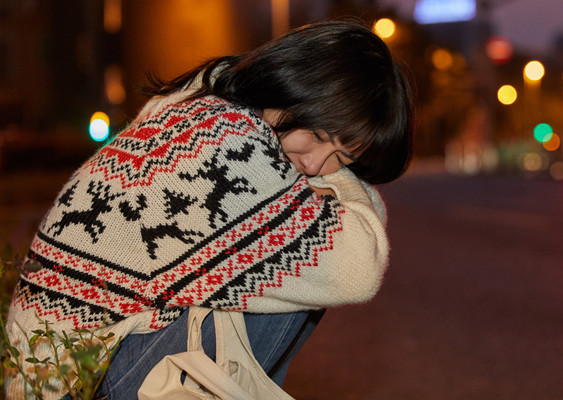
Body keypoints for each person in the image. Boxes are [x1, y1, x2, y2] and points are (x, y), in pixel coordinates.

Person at [4, 20, 413, 399]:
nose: (315, 164)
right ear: (298, 85)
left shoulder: (202, 103)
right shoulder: (229, 143)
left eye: (342, 157)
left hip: (57, 369)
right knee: (308, 268)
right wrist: (346, 185)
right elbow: (357, 267)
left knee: (286, 260)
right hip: (77, 381)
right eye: (320, 135)